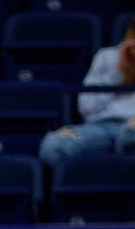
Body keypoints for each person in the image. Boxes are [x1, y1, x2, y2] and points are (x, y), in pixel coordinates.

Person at [38, 17, 135, 170]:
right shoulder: (107, 56)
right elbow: (87, 108)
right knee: (53, 147)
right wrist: (118, 72)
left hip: (132, 127)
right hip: (101, 128)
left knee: (131, 136)